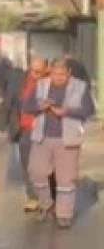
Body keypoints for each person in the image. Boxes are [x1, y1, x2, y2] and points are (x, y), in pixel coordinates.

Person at [23, 57, 95, 228]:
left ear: (69, 73)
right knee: (36, 172)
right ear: (51, 72)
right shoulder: (41, 85)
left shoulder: (80, 87)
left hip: (67, 139)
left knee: (66, 179)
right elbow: (26, 106)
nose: (59, 77)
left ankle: (64, 214)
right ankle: (47, 205)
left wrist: (66, 111)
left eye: (62, 74)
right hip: (42, 136)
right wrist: (41, 106)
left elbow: (88, 110)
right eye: (55, 73)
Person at [10, 57, 48, 212]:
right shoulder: (24, 81)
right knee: (27, 165)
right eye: (31, 70)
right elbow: (13, 102)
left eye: (38, 71)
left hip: (46, 131)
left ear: (46, 69)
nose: (34, 74)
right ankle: (33, 197)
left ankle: (47, 197)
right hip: (25, 130)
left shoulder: (53, 83)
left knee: (45, 166)